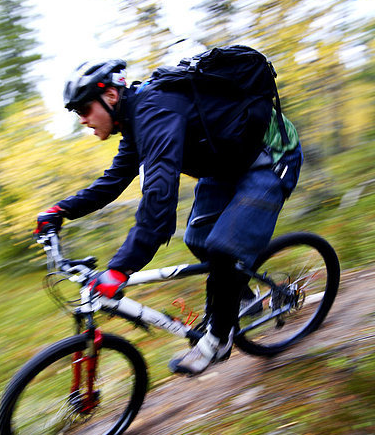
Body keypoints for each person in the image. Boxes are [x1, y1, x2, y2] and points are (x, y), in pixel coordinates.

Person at [35, 58, 303, 375]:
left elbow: (159, 202)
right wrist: (60, 211)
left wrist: (120, 269)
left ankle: (218, 340)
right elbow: (112, 182)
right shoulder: (136, 122)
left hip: (272, 158)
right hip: (228, 166)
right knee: (198, 239)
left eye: (83, 109)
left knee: (222, 248)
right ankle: (242, 298)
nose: (82, 120)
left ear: (109, 97)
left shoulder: (156, 111)